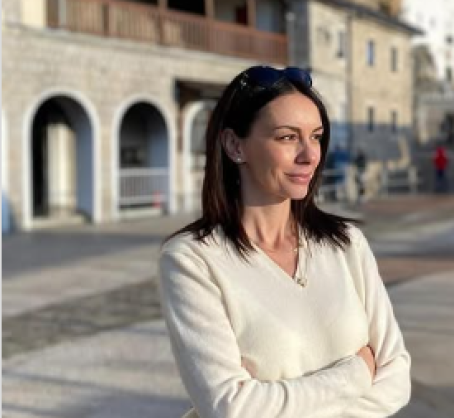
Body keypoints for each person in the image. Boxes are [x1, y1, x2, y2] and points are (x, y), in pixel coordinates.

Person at [158, 66, 411, 418]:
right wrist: (357, 372)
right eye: (288, 137)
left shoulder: (347, 244)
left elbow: (396, 380)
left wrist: (272, 401)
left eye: (316, 136)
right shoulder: (192, 261)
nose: (310, 155)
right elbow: (233, 409)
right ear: (234, 145)